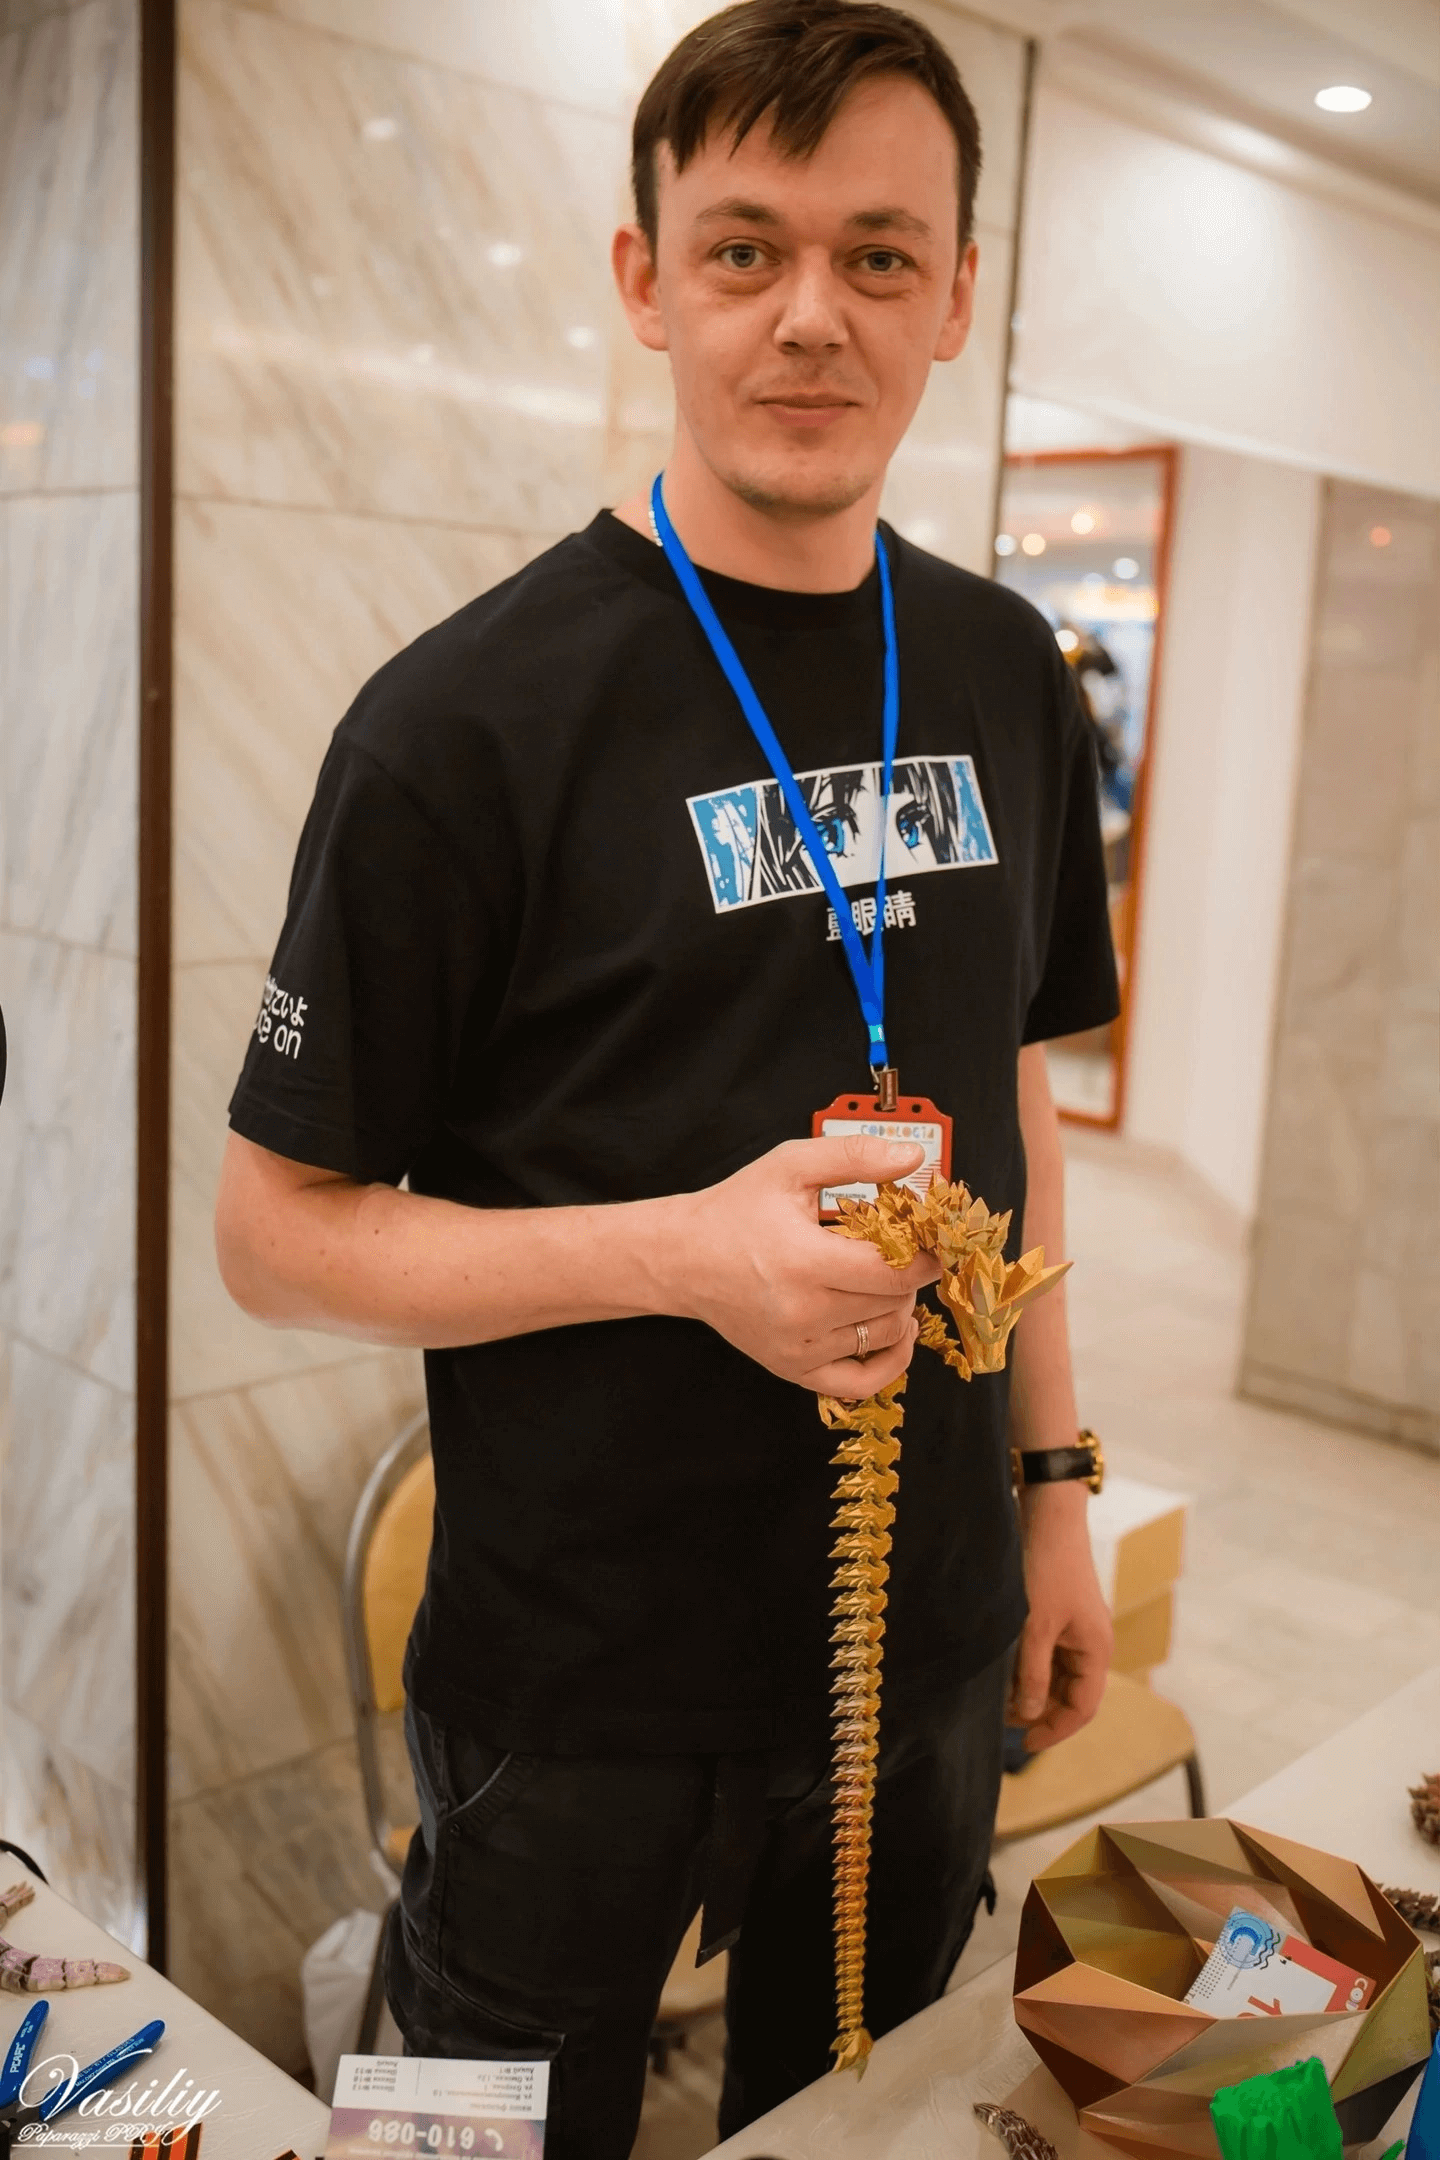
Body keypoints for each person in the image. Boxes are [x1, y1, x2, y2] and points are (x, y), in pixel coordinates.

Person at [214, 3, 1118, 2150]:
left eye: (879, 255)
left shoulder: (1003, 670)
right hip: (573, 1687)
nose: (812, 315)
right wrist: (686, 1258)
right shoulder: (459, 724)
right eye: (744, 249)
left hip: (916, 1640)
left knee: (864, 2127)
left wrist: (1058, 1490)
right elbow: (272, 1237)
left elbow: (1008, 1098)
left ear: (957, 296)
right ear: (646, 280)